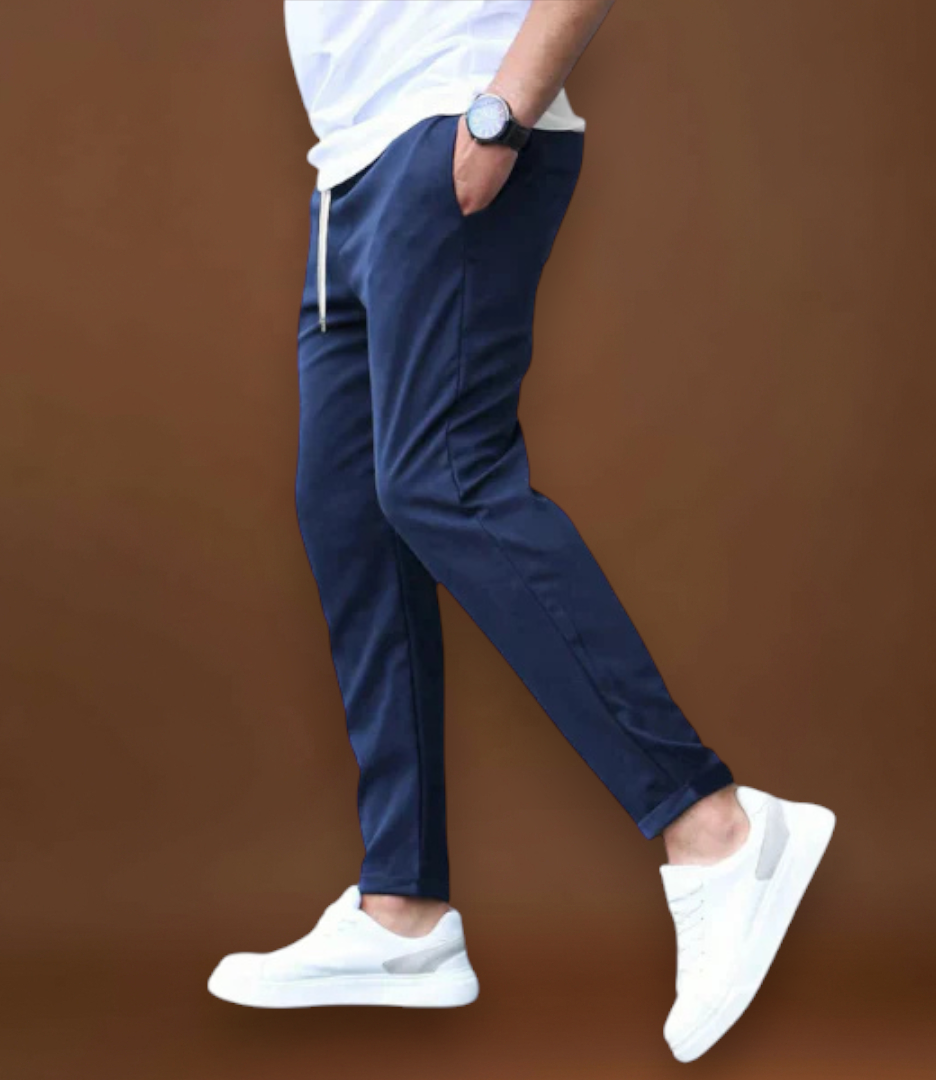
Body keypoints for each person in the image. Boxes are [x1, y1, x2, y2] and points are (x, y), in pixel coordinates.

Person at [207, 1, 835, 1062]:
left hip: (448, 124)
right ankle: (403, 914)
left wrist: (500, 115)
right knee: (351, 518)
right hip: (346, 174)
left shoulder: (475, 123)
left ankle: (719, 830)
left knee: (443, 485)